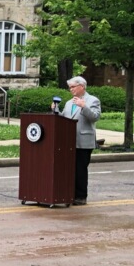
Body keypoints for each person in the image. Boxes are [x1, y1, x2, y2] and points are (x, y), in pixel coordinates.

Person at [52, 75, 101, 206]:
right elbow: (64, 118)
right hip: (68, 142)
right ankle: (69, 193)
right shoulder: (69, 103)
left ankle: (80, 196)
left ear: (82, 86)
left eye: (73, 87)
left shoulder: (92, 100)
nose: (71, 90)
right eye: (70, 88)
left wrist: (84, 107)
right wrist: (55, 110)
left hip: (83, 141)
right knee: (69, 169)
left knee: (80, 169)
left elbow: (95, 117)